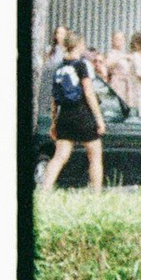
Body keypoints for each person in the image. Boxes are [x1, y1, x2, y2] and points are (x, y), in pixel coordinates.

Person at [41, 29, 104, 191]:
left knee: (59, 156)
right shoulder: (82, 65)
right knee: (95, 155)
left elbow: (55, 99)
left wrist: (54, 123)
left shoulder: (59, 68)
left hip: (64, 116)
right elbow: (89, 93)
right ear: (79, 45)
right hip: (82, 114)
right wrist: (98, 119)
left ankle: (45, 189)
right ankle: (96, 193)